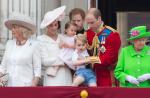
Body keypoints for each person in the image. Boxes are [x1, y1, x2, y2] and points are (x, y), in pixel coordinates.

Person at [0, 12, 41, 87]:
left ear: (22, 29)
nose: (12, 30)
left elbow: (37, 69)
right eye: (12, 27)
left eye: (14, 27)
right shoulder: (9, 44)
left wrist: (33, 85)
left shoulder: (34, 45)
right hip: (9, 86)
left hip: (25, 86)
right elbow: (3, 66)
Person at [85, 8, 121, 87]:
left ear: (99, 19)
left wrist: (88, 59)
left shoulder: (112, 34)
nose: (90, 26)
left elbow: (108, 59)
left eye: (92, 22)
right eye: (88, 23)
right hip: (90, 77)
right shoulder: (87, 34)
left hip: (107, 77)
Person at [37, 6, 72, 86]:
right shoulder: (41, 39)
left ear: (58, 25)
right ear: (46, 26)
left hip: (66, 76)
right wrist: (64, 62)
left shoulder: (63, 37)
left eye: (55, 25)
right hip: (51, 77)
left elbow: (71, 54)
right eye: (50, 25)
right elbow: (44, 61)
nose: (53, 28)